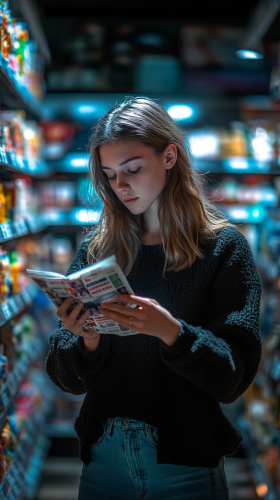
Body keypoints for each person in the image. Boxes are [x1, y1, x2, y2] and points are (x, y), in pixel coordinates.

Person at [45, 97, 262, 500]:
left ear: (169, 156)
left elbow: (233, 379)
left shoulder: (223, 249)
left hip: (184, 461)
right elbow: (65, 378)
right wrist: (85, 337)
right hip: (103, 457)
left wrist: (172, 333)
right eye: (109, 175)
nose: (120, 186)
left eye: (133, 169)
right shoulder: (97, 250)